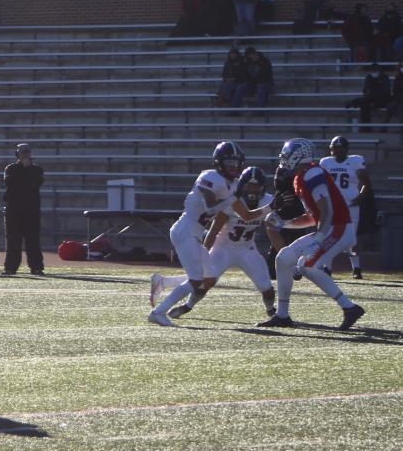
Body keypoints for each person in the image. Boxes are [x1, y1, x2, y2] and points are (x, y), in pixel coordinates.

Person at [258, 138, 364, 330]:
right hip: (330, 227)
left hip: (339, 227)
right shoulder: (301, 176)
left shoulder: (312, 173)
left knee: (308, 266)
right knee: (283, 258)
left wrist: (319, 239)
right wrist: (284, 224)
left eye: (287, 154)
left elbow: (327, 213)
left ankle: (349, 307)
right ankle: (282, 315)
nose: (284, 158)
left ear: (299, 155)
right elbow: (313, 217)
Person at [149, 141, 258, 326]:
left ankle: (163, 282)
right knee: (196, 278)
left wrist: (270, 209)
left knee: (209, 277)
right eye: (229, 162)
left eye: (236, 162)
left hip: (194, 233)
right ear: (218, 162)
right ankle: (158, 312)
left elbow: (246, 215)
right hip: (186, 229)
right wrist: (234, 197)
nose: (233, 166)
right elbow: (209, 208)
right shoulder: (210, 176)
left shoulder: (233, 185)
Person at [164, 166, 279, 321]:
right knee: (206, 282)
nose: (252, 190)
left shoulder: (268, 201)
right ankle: (188, 305)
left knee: (268, 289)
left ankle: (271, 311)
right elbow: (213, 230)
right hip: (223, 248)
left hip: (247, 249)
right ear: (242, 186)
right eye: (249, 185)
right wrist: (204, 251)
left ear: (263, 187)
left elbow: (273, 225)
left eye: (256, 186)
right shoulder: (234, 201)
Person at [319, 135, 370, 279]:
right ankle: (327, 268)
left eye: (340, 148)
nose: (337, 151)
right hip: (332, 205)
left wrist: (357, 200)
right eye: (335, 148)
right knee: (328, 236)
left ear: (347, 149)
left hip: (350, 205)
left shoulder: (355, 161)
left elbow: (366, 183)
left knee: (351, 238)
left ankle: (356, 269)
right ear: (331, 149)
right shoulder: (325, 162)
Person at [2, 143, 44, 275]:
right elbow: (11, 183)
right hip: (14, 210)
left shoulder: (37, 169)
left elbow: (36, 183)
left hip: (31, 209)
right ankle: (10, 267)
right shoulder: (10, 168)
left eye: (27, 152)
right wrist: (26, 175)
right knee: (13, 240)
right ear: (17, 154)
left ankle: (36, 267)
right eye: (22, 152)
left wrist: (27, 171)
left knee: (33, 240)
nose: (25, 154)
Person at [347, 63, 391, 132]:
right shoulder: (369, 77)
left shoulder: (385, 78)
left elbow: (385, 92)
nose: (373, 73)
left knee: (365, 101)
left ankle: (353, 102)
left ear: (379, 71)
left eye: (375, 71)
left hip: (383, 100)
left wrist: (372, 91)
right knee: (364, 105)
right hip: (371, 98)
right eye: (372, 71)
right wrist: (368, 91)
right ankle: (366, 127)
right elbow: (366, 90)